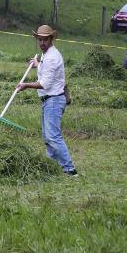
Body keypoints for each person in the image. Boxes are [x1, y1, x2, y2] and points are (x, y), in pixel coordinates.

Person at [16, 25, 77, 176]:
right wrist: (37, 64)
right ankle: (52, 167)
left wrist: (26, 85)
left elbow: (44, 83)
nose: (42, 42)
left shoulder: (51, 57)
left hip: (54, 100)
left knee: (53, 136)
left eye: (45, 39)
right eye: (40, 39)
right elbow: (46, 69)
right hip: (48, 100)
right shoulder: (46, 54)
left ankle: (70, 170)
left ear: (51, 39)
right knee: (47, 136)